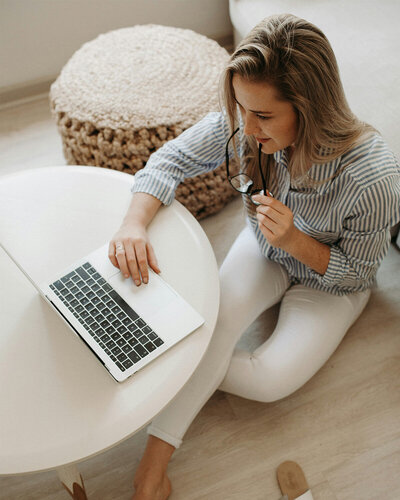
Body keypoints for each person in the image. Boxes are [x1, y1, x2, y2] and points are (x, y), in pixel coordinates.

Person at [108, 14, 400, 500]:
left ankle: (172, 360)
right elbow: (169, 160)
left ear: (309, 110)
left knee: (265, 380)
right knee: (208, 332)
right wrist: (132, 223)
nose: (246, 127)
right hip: (264, 250)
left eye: (264, 116)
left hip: (329, 283)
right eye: (242, 109)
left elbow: (358, 274)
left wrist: (296, 241)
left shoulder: (373, 178)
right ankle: (150, 475)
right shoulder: (246, 126)